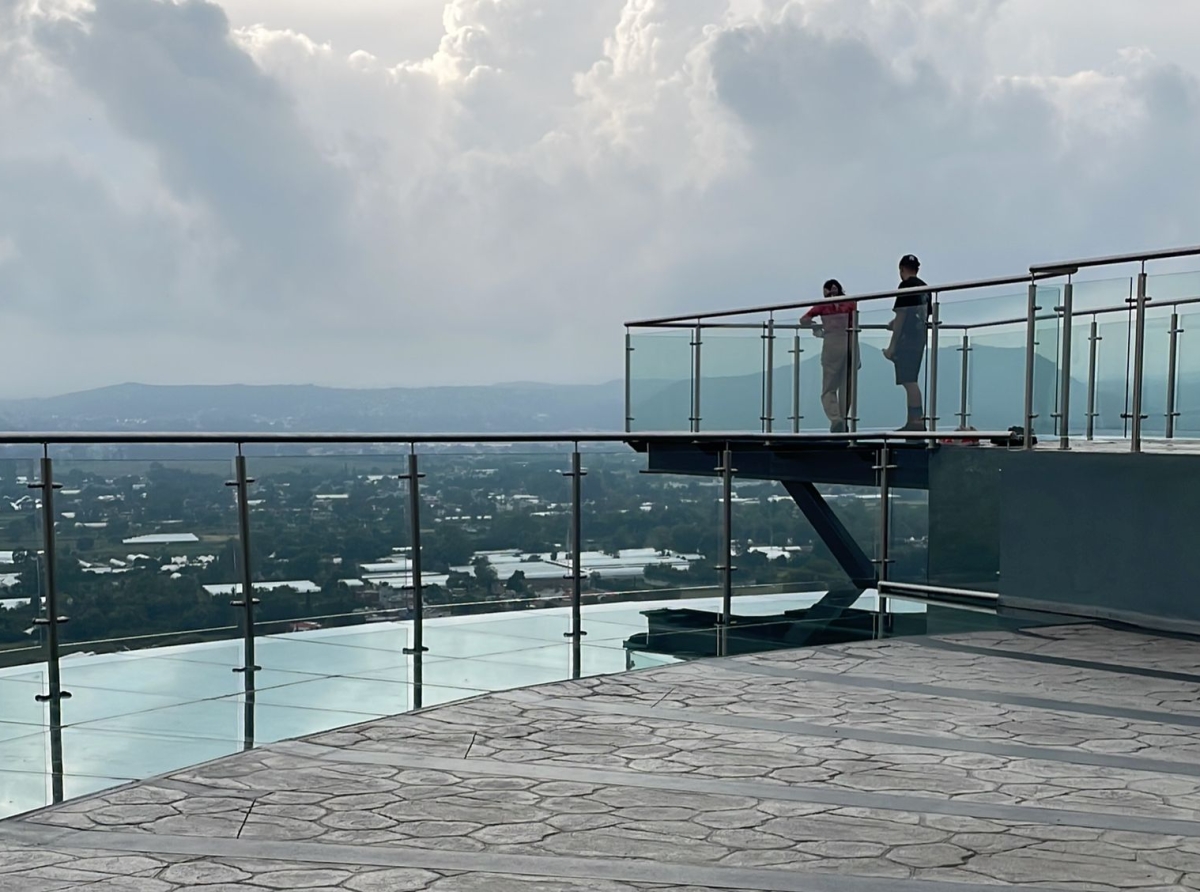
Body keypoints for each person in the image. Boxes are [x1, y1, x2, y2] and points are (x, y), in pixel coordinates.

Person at [801, 279, 857, 433]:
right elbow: (854, 326)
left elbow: (804, 319)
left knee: (828, 388)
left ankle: (835, 418)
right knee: (846, 386)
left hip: (832, 343)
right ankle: (844, 419)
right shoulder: (851, 304)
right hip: (849, 341)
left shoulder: (823, 306)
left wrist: (816, 327)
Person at [884, 254, 930, 431]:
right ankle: (915, 421)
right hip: (919, 338)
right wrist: (895, 323)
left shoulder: (905, 286)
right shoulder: (926, 288)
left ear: (901, 269)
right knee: (912, 379)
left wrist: (892, 346)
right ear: (917, 269)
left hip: (907, 340)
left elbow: (902, 314)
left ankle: (915, 422)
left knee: (909, 381)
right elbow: (920, 315)